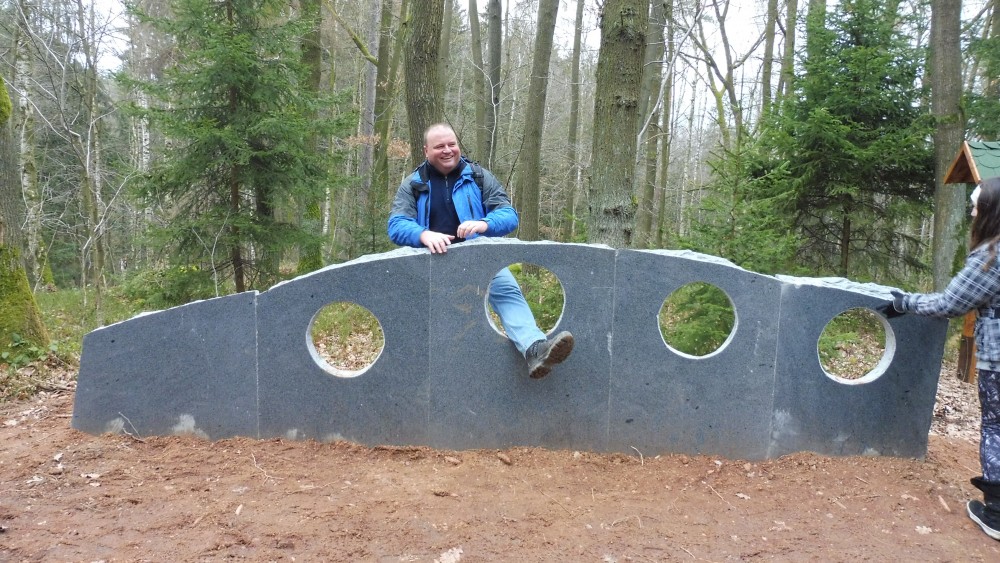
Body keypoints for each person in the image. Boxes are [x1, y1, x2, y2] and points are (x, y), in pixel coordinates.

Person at [387, 123, 574, 379]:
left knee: (508, 293)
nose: (447, 150)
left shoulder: (478, 176)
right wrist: (423, 234)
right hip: (432, 262)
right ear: (426, 151)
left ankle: (535, 350)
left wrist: (485, 224)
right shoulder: (414, 184)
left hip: (479, 256)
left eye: (451, 144)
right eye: (439, 146)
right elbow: (396, 225)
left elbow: (508, 215)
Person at [880, 177, 1000, 541]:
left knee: (996, 427)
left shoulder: (992, 257)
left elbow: (951, 303)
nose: (973, 213)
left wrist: (905, 302)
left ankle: (996, 514)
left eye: (977, 207)